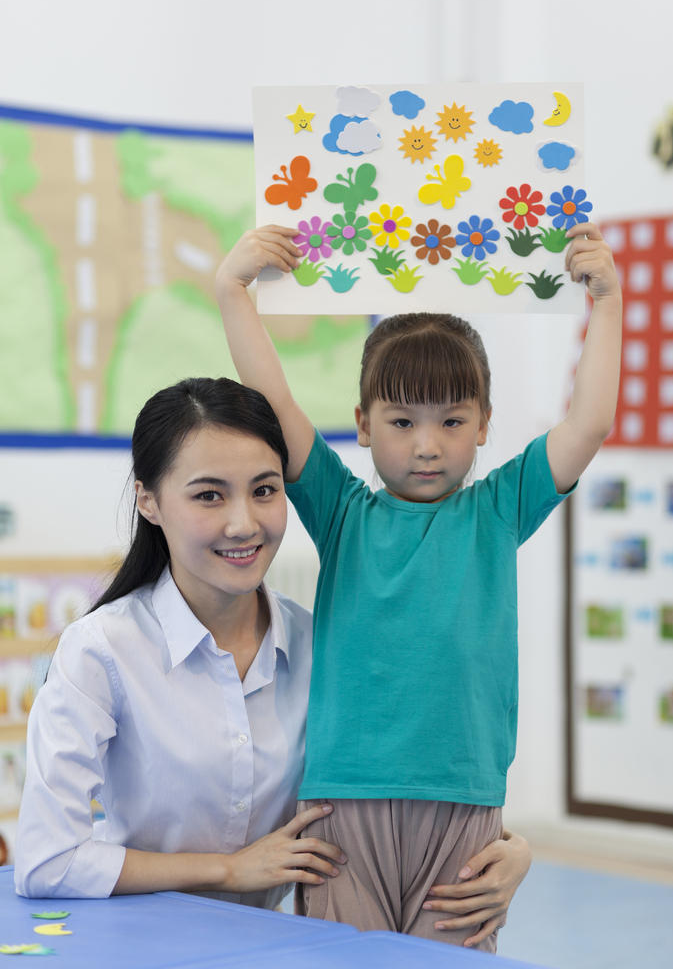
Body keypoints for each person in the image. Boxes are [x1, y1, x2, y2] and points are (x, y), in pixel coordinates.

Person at [216, 222, 622, 950]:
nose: (427, 443)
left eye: (451, 421)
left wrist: (609, 301)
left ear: (483, 426)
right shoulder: (340, 510)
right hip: (343, 806)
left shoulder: (498, 508)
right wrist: (232, 291)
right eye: (402, 421)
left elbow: (588, 423)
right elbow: (273, 397)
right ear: (363, 425)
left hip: (462, 801)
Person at [15, 376, 531, 932]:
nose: (244, 523)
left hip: (274, 945)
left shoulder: (322, 647)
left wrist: (512, 849)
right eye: (209, 495)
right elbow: (49, 861)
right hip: (140, 945)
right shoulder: (100, 652)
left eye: (264, 490)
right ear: (149, 500)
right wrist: (228, 871)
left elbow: (405, 780)